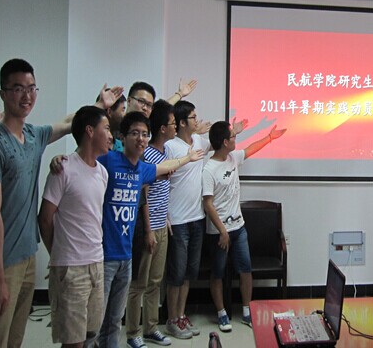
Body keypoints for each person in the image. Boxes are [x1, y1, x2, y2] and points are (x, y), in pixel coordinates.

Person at [0, 58, 121, 348]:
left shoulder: (32, 135)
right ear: (3, 93)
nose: (26, 95)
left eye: (31, 88)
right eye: (17, 88)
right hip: (0, 261)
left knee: (14, 340)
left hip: (27, 256)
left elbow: (69, 124)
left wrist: (98, 104)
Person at [62, 111, 205, 348]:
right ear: (123, 137)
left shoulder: (141, 169)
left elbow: (163, 167)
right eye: (135, 133)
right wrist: (62, 159)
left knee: (114, 321)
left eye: (144, 134)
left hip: (126, 255)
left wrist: (187, 159)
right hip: (103, 255)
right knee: (93, 323)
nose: (141, 139)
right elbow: (84, 157)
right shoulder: (109, 160)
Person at [38, 106, 112, 348]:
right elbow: (45, 218)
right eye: (106, 128)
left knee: (90, 334)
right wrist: (58, 255)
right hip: (71, 268)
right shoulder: (63, 169)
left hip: (96, 263)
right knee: (73, 340)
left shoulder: (102, 173)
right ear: (90, 131)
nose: (111, 135)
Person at [202, 121, 286, 332]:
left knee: (245, 270)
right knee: (218, 273)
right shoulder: (209, 169)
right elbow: (208, 204)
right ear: (224, 142)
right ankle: (221, 313)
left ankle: (247, 311)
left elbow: (251, 149)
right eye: (232, 137)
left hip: (239, 228)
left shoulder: (233, 158)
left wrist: (270, 138)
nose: (235, 140)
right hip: (219, 231)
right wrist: (222, 231)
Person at [125, 101, 177, 348]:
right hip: (146, 228)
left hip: (161, 226)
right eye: (173, 123)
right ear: (162, 128)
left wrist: (165, 218)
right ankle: (132, 332)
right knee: (139, 283)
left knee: (156, 281)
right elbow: (143, 195)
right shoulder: (147, 155)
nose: (176, 126)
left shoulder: (164, 153)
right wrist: (147, 230)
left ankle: (151, 328)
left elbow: (161, 193)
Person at [163, 101, 213, 339]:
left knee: (189, 273)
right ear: (182, 122)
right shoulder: (170, 146)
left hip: (197, 218)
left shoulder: (200, 141)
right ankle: (171, 319)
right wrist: (164, 214)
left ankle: (181, 315)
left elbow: (218, 142)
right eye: (193, 117)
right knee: (176, 274)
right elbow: (161, 180)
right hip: (178, 220)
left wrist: (232, 131)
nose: (197, 120)